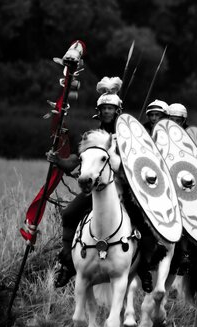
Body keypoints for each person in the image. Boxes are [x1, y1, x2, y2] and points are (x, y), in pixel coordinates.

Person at [49, 77, 153, 291]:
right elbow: (76, 162)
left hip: (123, 190)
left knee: (144, 224)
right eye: (104, 108)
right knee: (69, 214)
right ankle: (68, 264)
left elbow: (139, 165)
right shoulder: (92, 136)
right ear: (99, 111)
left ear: (117, 111)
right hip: (95, 191)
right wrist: (58, 160)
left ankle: (143, 268)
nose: (107, 111)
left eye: (110, 108)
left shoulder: (128, 137)